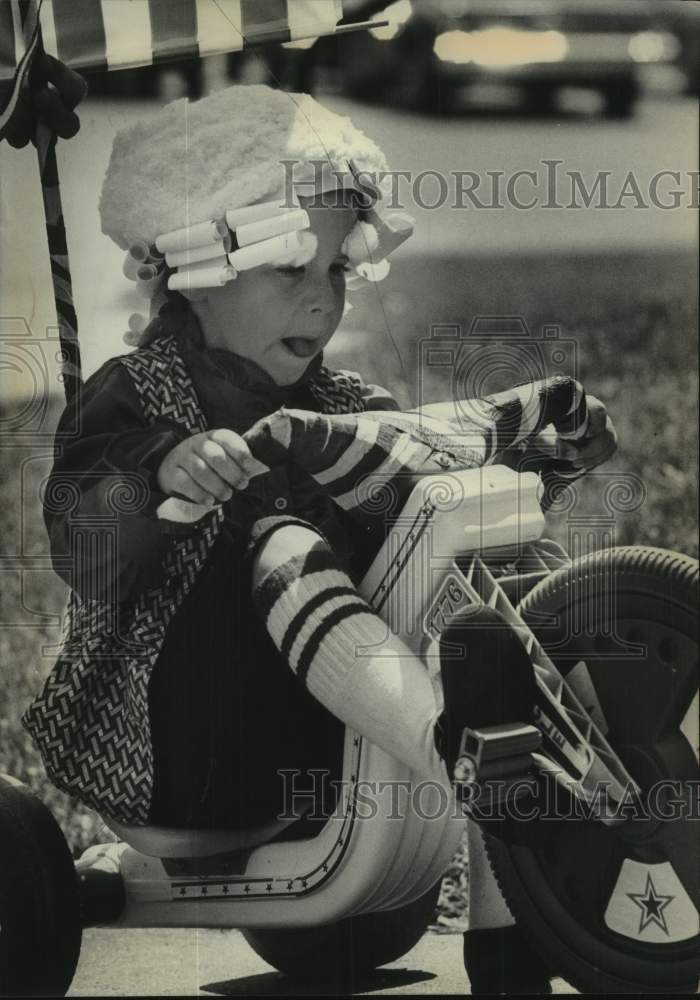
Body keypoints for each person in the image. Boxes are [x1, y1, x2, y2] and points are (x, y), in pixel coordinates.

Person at [16, 81, 616, 994]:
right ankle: (457, 748)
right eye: (292, 268)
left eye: (338, 270)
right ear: (198, 268)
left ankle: (560, 754)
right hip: (185, 738)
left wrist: (533, 460)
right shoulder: (135, 396)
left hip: (313, 747)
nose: (322, 300)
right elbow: (84, 549)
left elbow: (419, 502)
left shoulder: (341, 408)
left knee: (457, 549)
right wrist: (160, 476)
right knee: (280, 542)